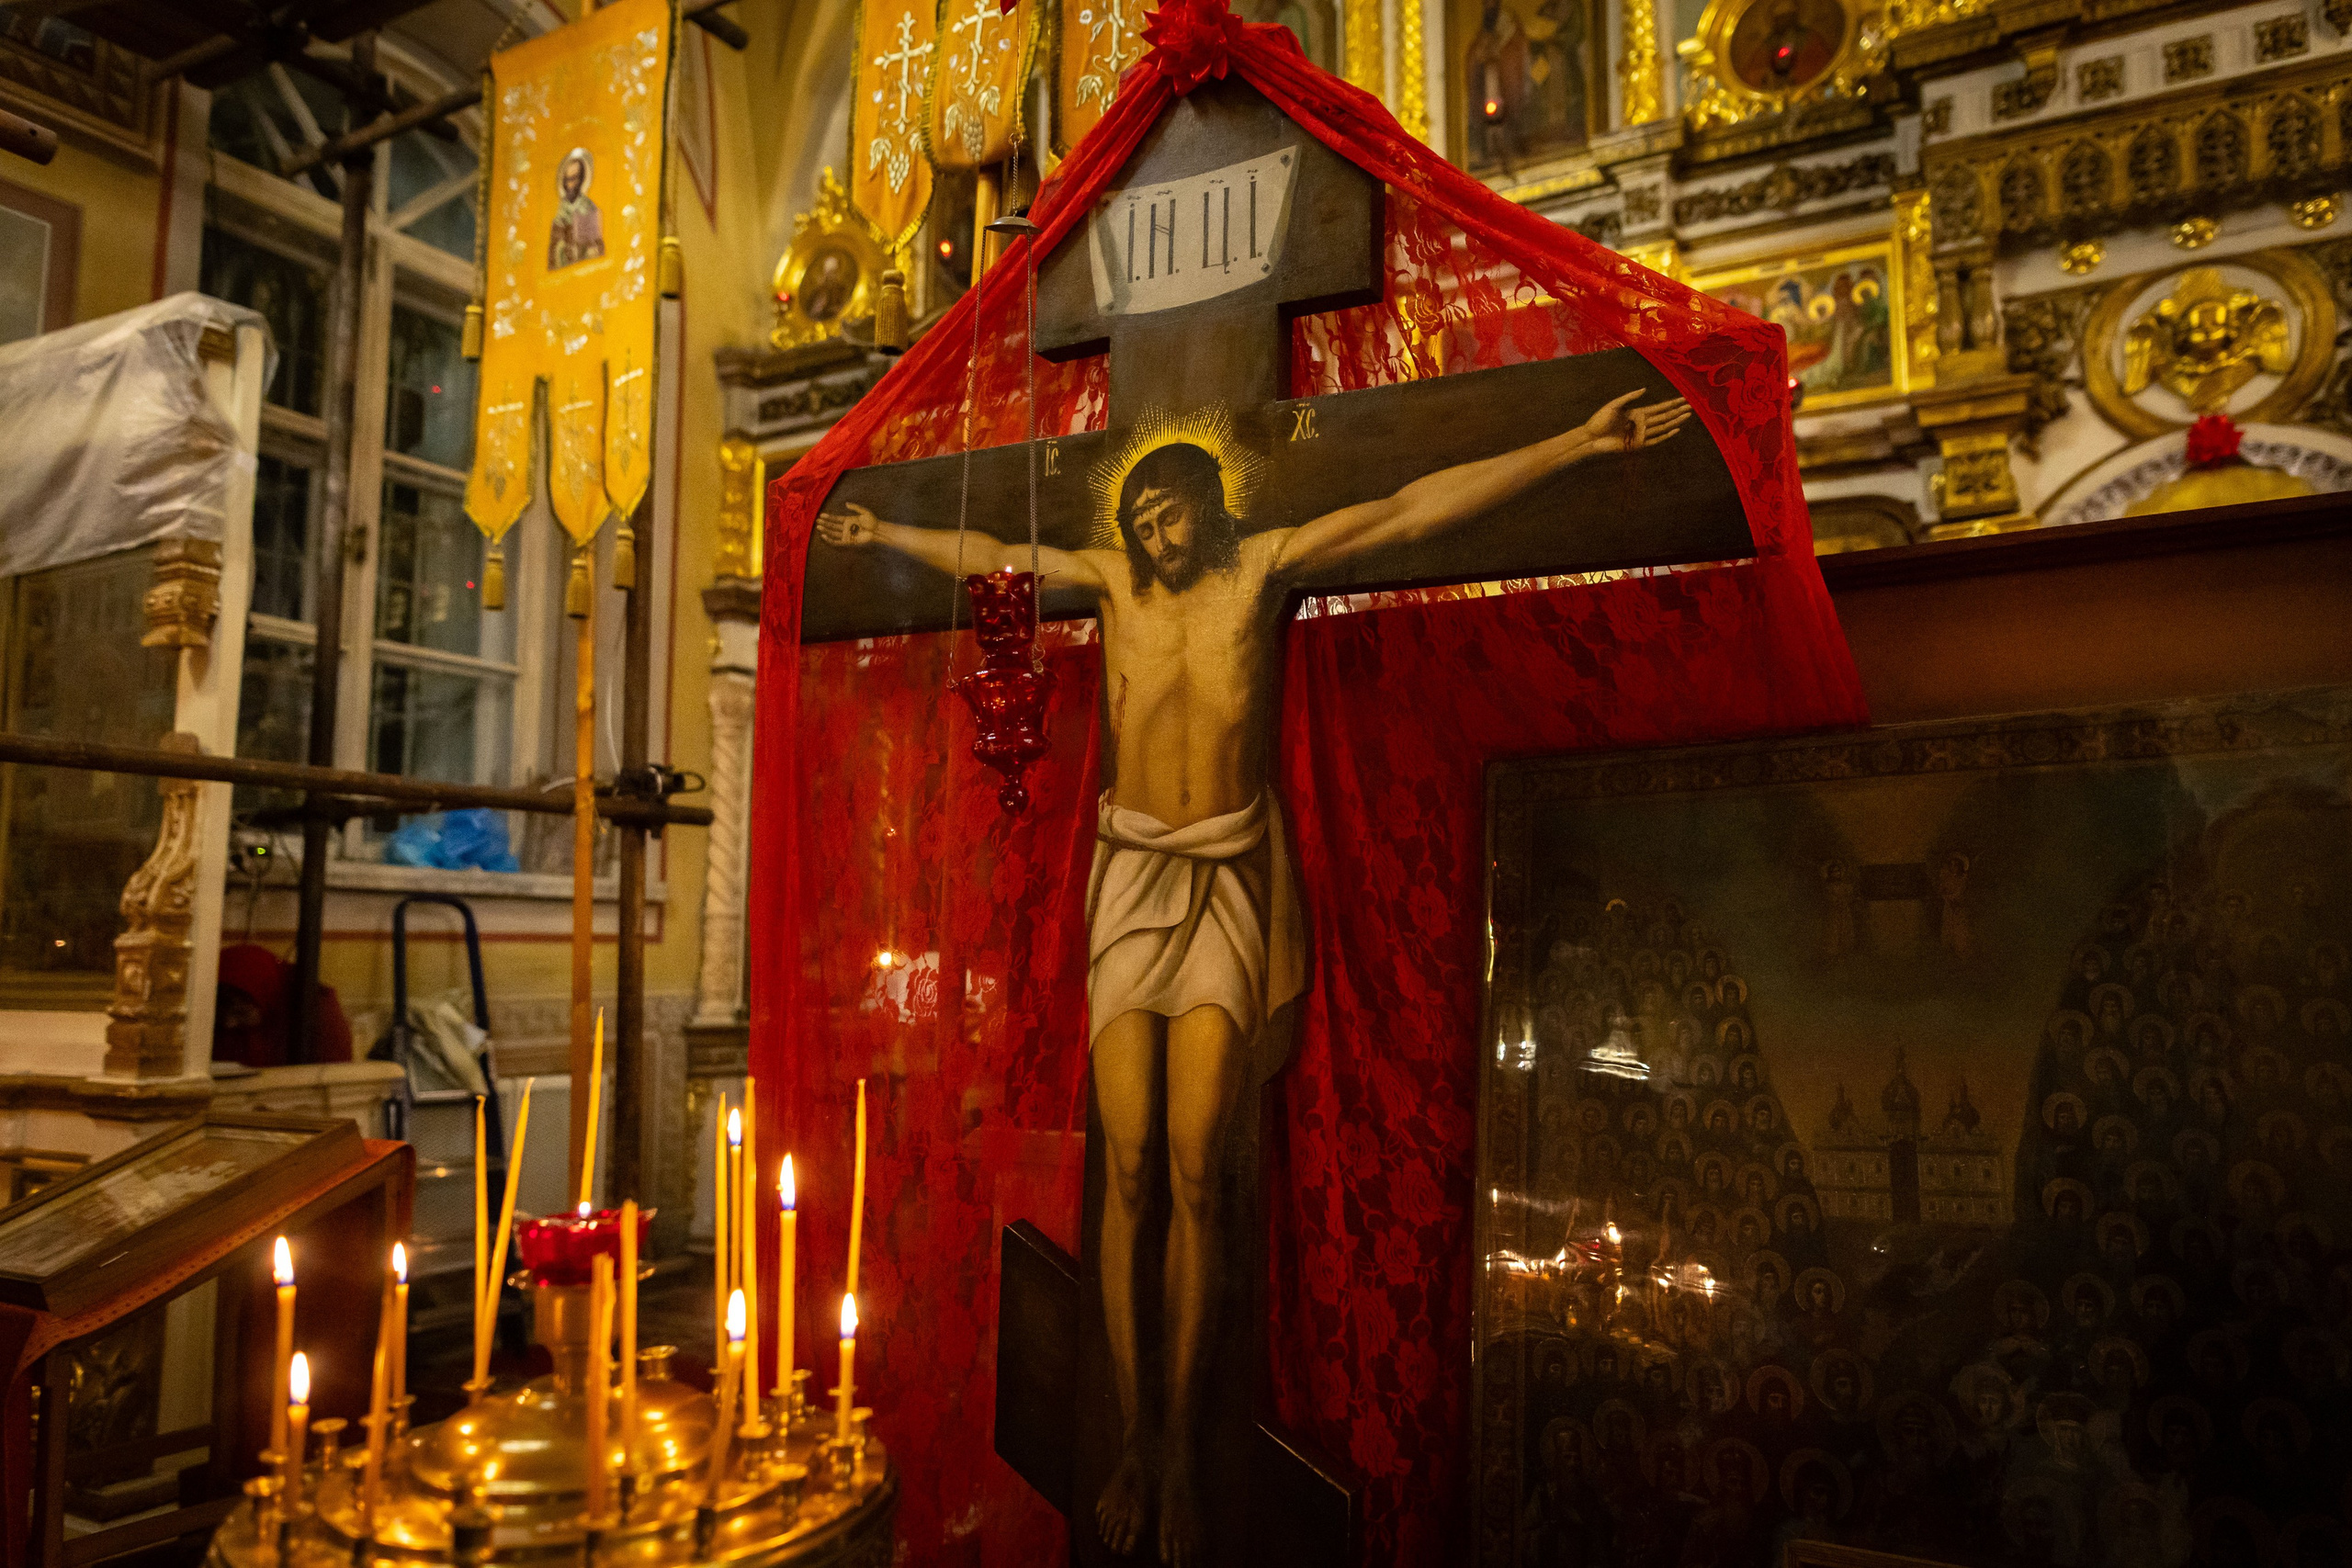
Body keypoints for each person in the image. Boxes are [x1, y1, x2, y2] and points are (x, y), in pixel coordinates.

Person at [822, 387, 1692, 1565]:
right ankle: (1135, 1442)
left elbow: (1406, 510)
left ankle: (1184, 1449)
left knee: (1196, 1168)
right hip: (1131, 876)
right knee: (1123, 1166)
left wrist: (1576, 435)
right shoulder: (1114, 583)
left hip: (1226, 874)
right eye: (1140, 521)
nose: (1155, 537)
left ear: (1212, 512)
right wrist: (883, 535)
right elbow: (993, 555)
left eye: (1173, 516)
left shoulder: (1263, 565)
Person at [548, 149, 605, 270]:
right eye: (568, 179)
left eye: (575, 178)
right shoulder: (561, 209)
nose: (571, 185)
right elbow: (553, 248)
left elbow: (597, 245)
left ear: (582, 179)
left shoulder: (588, 207)